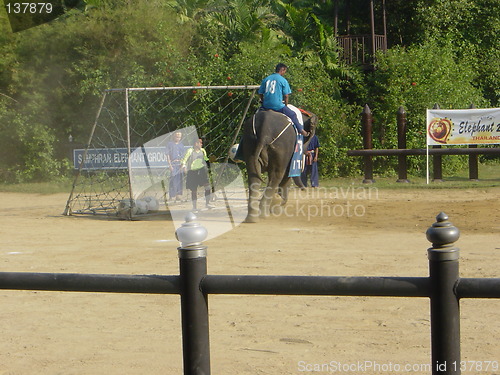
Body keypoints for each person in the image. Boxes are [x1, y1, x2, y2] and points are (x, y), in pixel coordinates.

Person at [258, 63, 309, 137]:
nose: (285, 73)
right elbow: (286, 96)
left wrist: (262, 101)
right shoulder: (283, 80)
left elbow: (260, 93)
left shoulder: (266, 79)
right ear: (282, 70)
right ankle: (301, 130)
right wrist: (286, 105)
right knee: (293, 114)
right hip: (277, 106)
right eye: (285, 71)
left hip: (266, 106)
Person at [181, 138, 214, 212]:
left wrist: (209, 162)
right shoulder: (190, 151)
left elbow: (205, 158)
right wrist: (184, 166)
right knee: (194, 190)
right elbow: (184, 159)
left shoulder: (203, 150)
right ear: (196, 143)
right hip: (193, 172)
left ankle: (207, 203)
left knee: (207, 186)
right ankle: (194, 207)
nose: (201, 144)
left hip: (202, 171)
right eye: (200, 143)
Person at [166, 131, 186, 202]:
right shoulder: (170, 144)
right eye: (177, 137)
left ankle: (179, 195)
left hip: (179, 164)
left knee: (180, 180)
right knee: (173, 180)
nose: (178, 138)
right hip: (173, 164)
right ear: (174, 136)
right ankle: (172, 196)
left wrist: (183, 165)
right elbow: (167, 155)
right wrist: (170, 165)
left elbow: (183, 156)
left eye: (179, 137)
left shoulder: (181, 145)